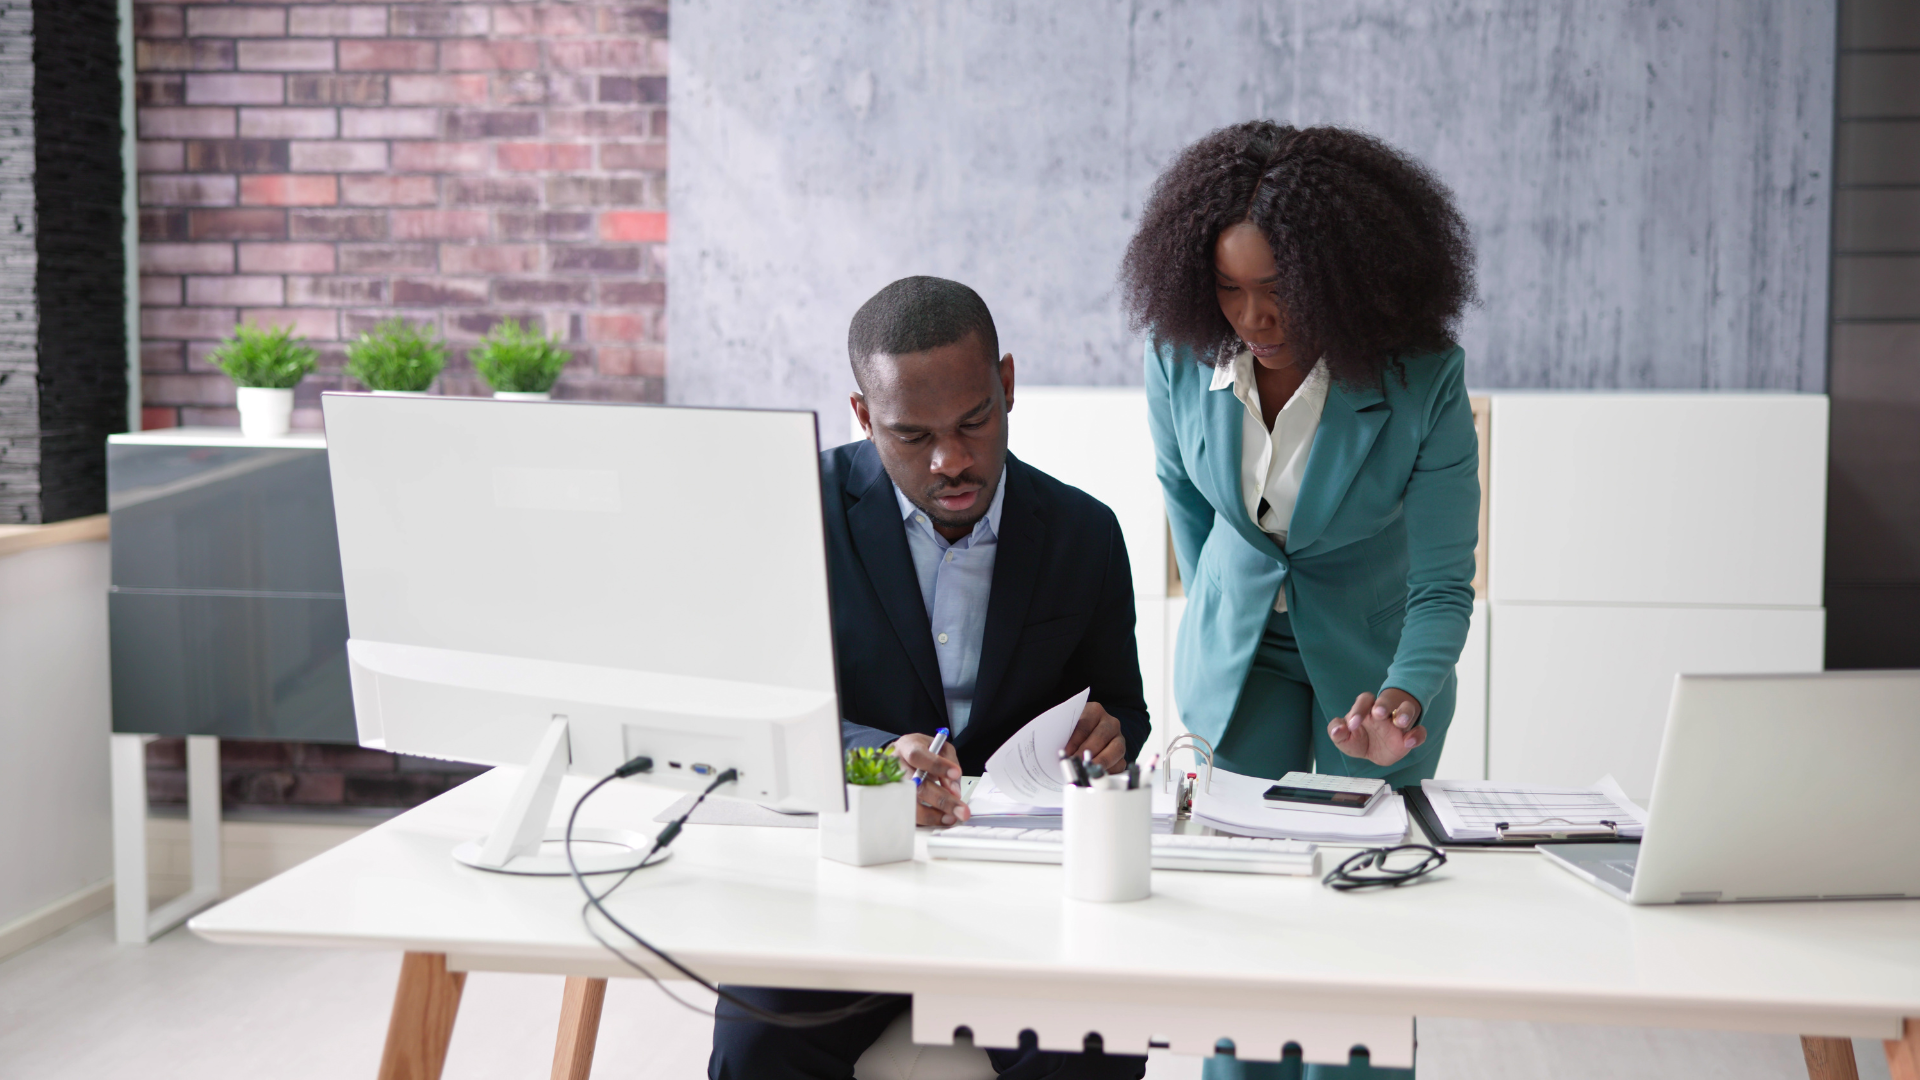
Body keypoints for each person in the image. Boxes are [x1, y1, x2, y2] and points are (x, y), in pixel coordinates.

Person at [708, 276, 1151, 1080]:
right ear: (863, 416)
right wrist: (874, 761)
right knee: (756, 1048)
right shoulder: (794, 510)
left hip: (1024, 896)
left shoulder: (1085, 532)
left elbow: (1122, 707)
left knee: (1095, 1053)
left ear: (1007, 385)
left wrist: (1111, 738)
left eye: (974, 423)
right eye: (912, 437)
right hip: (846, 875)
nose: (951, 461)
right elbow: (758, 713)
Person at [1121, 123, 1478, 1078]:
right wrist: (1222, 624)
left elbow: (1444, 582)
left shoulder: (1421, 382)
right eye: (1230, 289)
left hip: (1372, 672)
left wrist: (1403, 697)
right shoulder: (1176, 356)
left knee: (1356, 939)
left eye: (1277, 288)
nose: (1253, 316)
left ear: (1338, 273)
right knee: (1238, 939)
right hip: (1239, 670)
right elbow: (1190, 510)